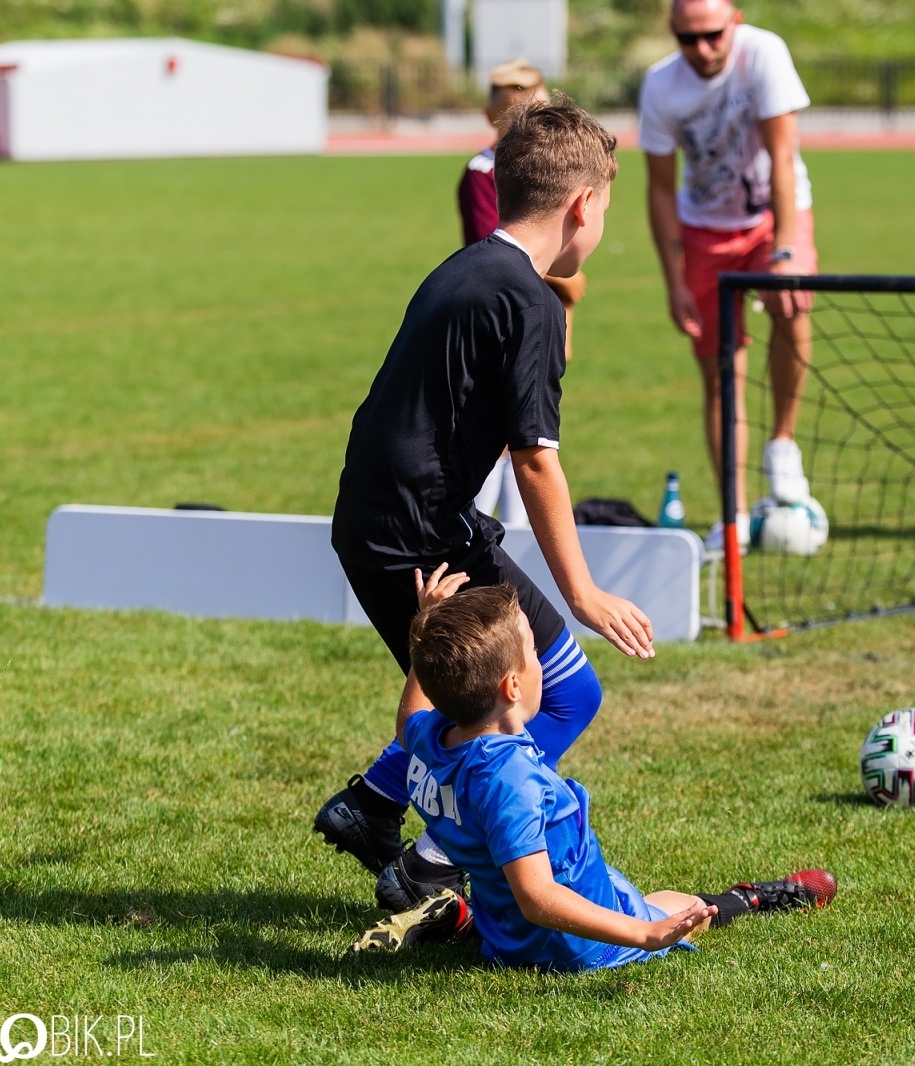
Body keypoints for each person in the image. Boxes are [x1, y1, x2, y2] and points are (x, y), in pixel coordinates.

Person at [314, 97, 656, 929]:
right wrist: (584, 592)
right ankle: (434, 858)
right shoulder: (531, 302)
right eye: (607, 208)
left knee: (493, 701)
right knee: (561, 696)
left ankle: (376, 802)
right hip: (420, 530)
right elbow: (536, 459)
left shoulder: (464, 268)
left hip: (388, 519)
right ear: (583, 205)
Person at [351, 582, 838, 965]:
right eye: (533, 653)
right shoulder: (507, 780)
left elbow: (408, 719)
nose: (541, 662)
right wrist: (642, 934)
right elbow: (538, 896)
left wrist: (426, 629)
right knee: (679, 910)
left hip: (506, 926)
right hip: (571, 944)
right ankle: (749, 900)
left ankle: (464, 917)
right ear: (513, 685)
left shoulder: (435, 739)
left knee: (642, 900)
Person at [640, 0, 818, 551]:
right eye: (688, 38)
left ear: (735, 20)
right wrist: (674, 280)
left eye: (713, 35)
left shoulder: (763, 54)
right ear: (672, 32)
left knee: (793, 308)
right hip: (704, 229)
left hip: (771, 216)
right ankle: (732, 516)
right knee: (721, 370)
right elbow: (661, 188)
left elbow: (783, 155)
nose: (702, 49)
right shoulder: (660, 85)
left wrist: (786, 249)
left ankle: (782, 445)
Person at [462, 60, 590, 530]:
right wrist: (564, 280)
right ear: (489, 113)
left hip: (541, 305)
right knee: (502, 429)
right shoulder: (483, 170)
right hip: (504, 307)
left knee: (532, 426)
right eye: (511, 110)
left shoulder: (554, 168)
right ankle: (475, 525)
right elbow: (499, 242)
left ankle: (522, 534)